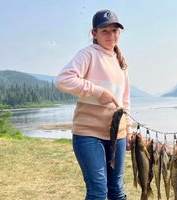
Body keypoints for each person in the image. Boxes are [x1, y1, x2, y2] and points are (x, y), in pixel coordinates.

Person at [55, 9, 131, 200]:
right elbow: (63, 80)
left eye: (115, 31)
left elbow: (125, 100)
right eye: (105, 31)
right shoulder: (87, 54)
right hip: (89, 134)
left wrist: (128, 130)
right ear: (94, 33)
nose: (111, 35)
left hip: (118, 136)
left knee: (117, 190)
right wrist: (98, 91)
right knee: (98, 192)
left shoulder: (121, 62)